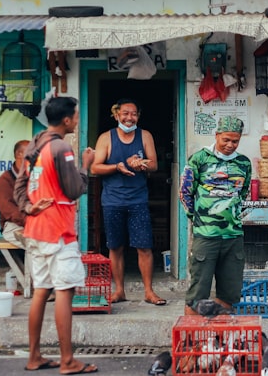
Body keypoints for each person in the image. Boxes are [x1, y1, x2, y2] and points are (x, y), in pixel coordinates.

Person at [15, 96, 98, 375]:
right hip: (58, 230)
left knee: (41, 291)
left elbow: (20, 187)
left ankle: (34, 356)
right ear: (66, 120)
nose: (77, 120)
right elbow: (75, 190)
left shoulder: (35, 144)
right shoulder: (61, 147)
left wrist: (28, 207)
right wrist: (86, 164)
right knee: (65, 290)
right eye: (75, 116)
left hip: (35, 229)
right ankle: (67, 360)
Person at [90, 99, 165, 305]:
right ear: (116, 115)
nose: (129, 118)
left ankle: (149, 292)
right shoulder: (106, 138)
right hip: (112, 201)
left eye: (133, 114)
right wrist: (118, 166)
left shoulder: (145, 135)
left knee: (144, 247)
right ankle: (119, 291)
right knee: (115, 247)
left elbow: (154, 165)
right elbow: (95, 168)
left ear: (138, 117)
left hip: (138, 200)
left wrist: (141, 164)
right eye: (125, 114)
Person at [179, 115, 251, 316]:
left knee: (229, 293)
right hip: (206, 237)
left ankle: (218, 337)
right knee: (196, 295)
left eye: (235, 141)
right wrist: (197, 217)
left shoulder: (243, 163)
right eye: (225, 140)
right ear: (217, 135)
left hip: (233, 237)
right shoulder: (199, 159)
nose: (230, 145)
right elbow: (185, 192)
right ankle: (192, 342)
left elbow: (242, 192)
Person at [0, 139, 31, 248]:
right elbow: (8, 210)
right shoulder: (5, 180)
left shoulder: (34, 175)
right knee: (34, 243)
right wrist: (31, 222)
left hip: (34, 223)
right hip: (13, 225)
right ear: (19, 154)